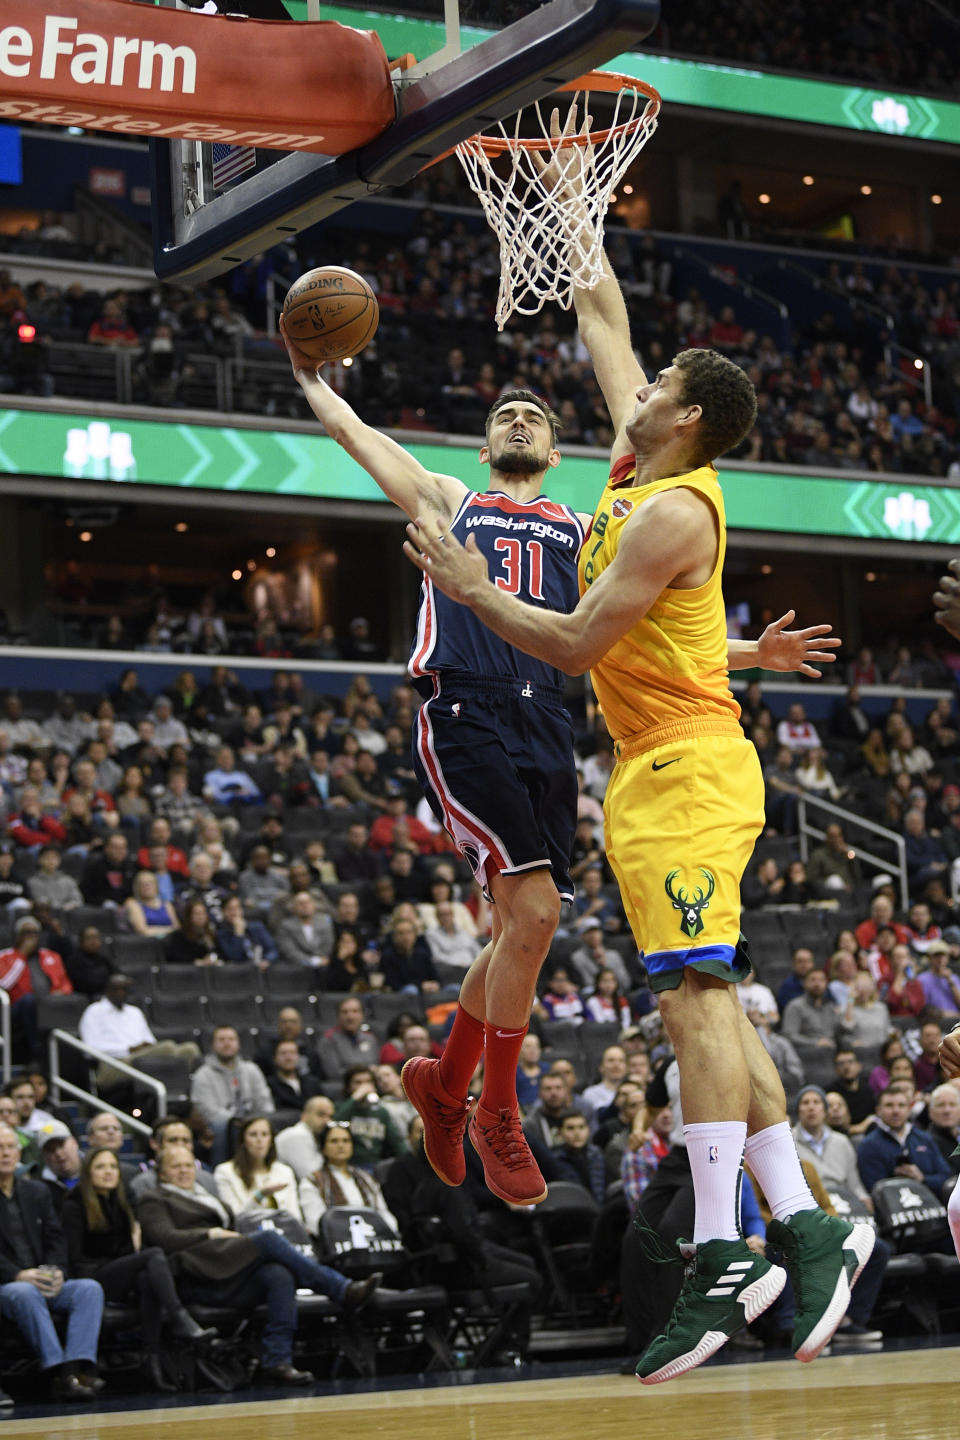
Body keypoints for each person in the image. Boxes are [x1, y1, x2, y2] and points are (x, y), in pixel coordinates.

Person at [404, 140, 873, 1384]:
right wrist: (569, 207)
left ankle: (727, 1247)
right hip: (668, 757)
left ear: (691, 420)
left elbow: (566, 641)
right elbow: (603, 305)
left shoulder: (672, 506)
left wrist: (463, 581)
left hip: (682, 769)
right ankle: (812, 1220)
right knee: (703, 997)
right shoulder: (635, 460)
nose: (643, 382)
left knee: (695, 1004)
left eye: (662, 381)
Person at [282, 316, 588, 1209]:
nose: (520, 420)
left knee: (521, 931)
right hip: (465, 711)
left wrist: (745, 656)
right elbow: (358, 436)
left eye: (534, 416)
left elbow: (645, 631)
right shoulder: (453, 499)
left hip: (549, 727)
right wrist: (313, 381)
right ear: (487, 443)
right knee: (531, 914)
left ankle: (442, 1086)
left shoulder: (580, 526)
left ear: (556, 451)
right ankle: (497, 1109)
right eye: (506, 413)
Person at [138, 1144, 381, 1386]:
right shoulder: (154, 1198)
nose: (183, 1171)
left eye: (188, 1165)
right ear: (162, 1173)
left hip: (226, 1270)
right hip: (195, 1273)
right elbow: (164, 1238)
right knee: (268, 1239)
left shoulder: (205, 1194)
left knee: (279, 1274)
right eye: (175, 1166)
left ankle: (278, 1361)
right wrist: (211, 1234)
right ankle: (341, 1289)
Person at [62, 1147, 215, 1392]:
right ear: (88, 1172)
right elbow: (75, 1258)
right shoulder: (75, 1204)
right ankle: (179, 1317)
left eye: (113, 1167)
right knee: (153, 1255)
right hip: (91, 1278)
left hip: (120, 1272)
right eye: (100, 1167)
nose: (109, 1172)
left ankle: (150, 1360)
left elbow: (127, 1252)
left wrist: (131, 1251)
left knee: (147, 1279)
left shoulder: (122, 1199)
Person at [0, 1123, 105, 1401]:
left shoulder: (36, 1191)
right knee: (23, 1292)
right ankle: (57, 1371)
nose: (5, 1153)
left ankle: (78, 1368)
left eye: (10, 1147)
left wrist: (56, 1270)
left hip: (42, 1279)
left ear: (19, 1151)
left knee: (88, 1289)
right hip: (8, 1285)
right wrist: (17, 1275)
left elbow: (56, 1239)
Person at [190, 1025, 275, 1164]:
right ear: (213, 1045)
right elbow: (208, 1111)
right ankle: (220, 1168)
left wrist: (255, 1123)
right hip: (223, 1128)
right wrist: (239, 1124)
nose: (227, 1043)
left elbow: (265, 1101)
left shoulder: (252, 1069)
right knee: (221, 1126)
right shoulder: (203, 1075)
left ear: (238, 1043)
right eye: (221, 1040)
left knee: (268, 1124)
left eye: (231, 1039)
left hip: (252, 1122)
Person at [298, 1121, 399, 1235]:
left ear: (352, 1146)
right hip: (337, 1241)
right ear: (323, 1148)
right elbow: (315, 1223)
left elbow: (383, 1213)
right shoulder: (312, 1181)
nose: (341, 1145)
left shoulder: (366, 1178)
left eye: (346, 1141)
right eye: (334, 1141)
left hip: (374, 1237)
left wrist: (388, 1232)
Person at [213, 1115, 304, 1222]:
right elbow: (235, 1219)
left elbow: (295, 1217)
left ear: (271, 1141)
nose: (259, 1140)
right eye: (253, 1135)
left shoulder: (285, 1171)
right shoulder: (225, 1172)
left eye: (264, 1134)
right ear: (243, 1141)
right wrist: (260, 1195)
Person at [275, 1095, 337, 1182]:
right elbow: (312, 1177)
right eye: (321, 1115)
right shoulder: (296, 1136)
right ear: (304, 1116)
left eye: (330, 1116)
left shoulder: (316, 1136)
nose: (327, 1121)